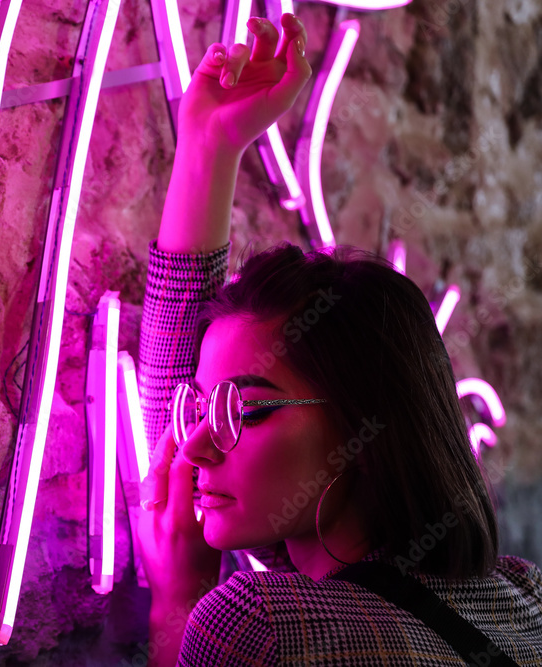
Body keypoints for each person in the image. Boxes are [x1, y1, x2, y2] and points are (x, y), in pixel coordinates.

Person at [136, 13, 542, 666]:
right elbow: (181, 406)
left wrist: (178, 602)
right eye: (203, 408)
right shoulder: (521, 593)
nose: (196, 446)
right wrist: (209, 147)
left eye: (246, 410)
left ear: (365, 427)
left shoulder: (262, 627)